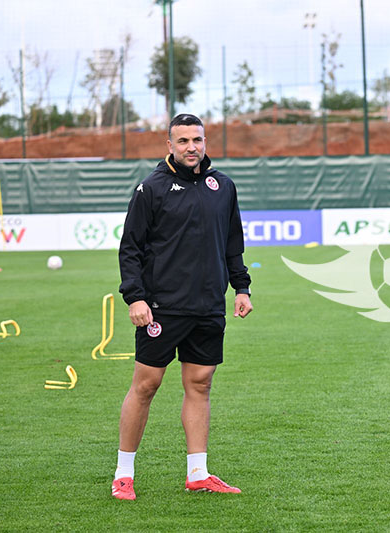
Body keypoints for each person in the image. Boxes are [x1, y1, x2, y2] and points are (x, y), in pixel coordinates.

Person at [113, 113, 253, 499]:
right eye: (184, 141)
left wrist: (241, 288)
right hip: (161, 307)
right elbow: (131, 249)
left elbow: (232, 244)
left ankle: (198, 472)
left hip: (208, 306)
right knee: (146, 385)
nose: (192, 147)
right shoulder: (151, 189)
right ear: (169, 145)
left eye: (197, 139)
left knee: (200, 384)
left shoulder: (222, 186)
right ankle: (124, 473)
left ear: (205, 142)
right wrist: (136, 296)